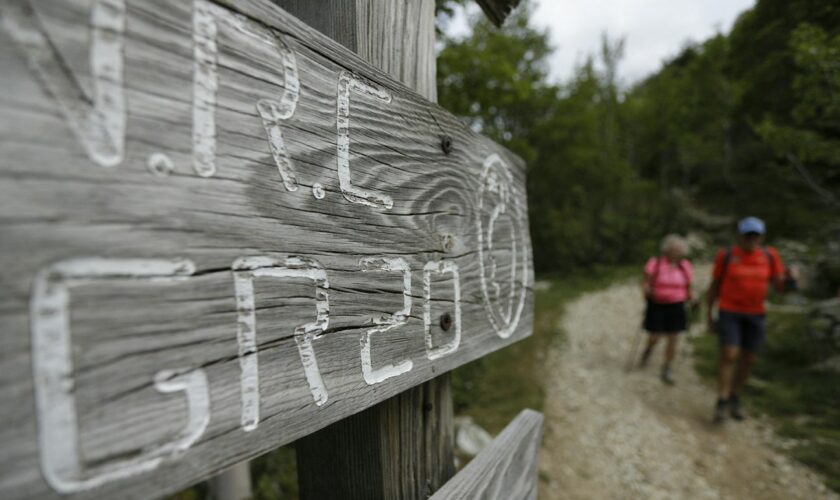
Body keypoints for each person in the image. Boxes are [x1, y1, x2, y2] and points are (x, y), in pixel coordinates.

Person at [706, 216, 795, 423]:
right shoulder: (726, 256)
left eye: (755, 235)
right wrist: (710, 315)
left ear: (762, 237)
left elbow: (779, 287)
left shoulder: (770, 256)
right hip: (729, 311)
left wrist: (790, 280)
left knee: (749, 358)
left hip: (756, 313)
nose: (751, 239)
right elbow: (714, 286)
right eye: (748, 235)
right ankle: (722, 399)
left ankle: (735, 396)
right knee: (729, 354)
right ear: (740, 236)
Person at [640, 234, 694, 385]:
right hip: (657, 303)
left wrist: (693, 299)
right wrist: (646, 291)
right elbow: (645, 282)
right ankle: (648, 350)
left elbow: (689, 287)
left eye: (679, 250)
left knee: (673, 337)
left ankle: (667, 367)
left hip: (677, 304)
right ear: (666, 250)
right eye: (673, 249)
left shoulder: (685, 266)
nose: (676, 252)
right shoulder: (655, 263)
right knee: (655, 335)